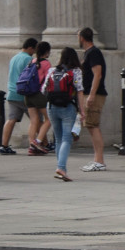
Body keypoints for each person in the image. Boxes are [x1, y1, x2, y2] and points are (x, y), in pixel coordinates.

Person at [42, 47, 85, 181]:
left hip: (52, 107)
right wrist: (82, 111)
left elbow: (43, 89)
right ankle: (61, 167)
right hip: (68, 107)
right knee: (67, 138)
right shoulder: (76, 71)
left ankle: (62, 169)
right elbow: (79, 91)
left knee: (59, 138)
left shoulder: (52, 70)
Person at [0, 37, 38, 155]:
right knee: (36, 119)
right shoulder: (29, 59)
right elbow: (31, 76)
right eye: (34, 49)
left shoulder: (14, 58)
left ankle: (4, 145)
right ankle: (42, 143)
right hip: (24, 94)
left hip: (12, 92)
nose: (34, 52)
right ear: (30, 48)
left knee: (11, 120)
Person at [78, 27, 108, 172]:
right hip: (90, 93)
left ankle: (100, 160)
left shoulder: (94, 52)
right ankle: (97, 159)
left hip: (94, 94)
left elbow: (98, 74)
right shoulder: (89, 53)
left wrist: (91, 94)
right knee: (91, 125)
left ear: (82, 38)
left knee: (93, 125)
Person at [23, 40, 53, 156]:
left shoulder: (32, 61)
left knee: (34, 120)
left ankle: (31, 146)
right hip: (39, 95)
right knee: (49, 118)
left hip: (28, 95)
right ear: (47, 51)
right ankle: (37, 141)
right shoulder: (46, 63)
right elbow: (48, 81)